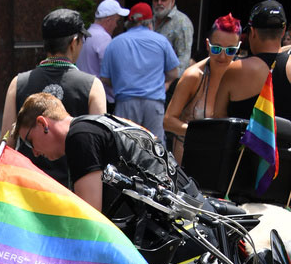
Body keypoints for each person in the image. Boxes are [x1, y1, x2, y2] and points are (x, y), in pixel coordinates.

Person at [14, 92, 200, 226]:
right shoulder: (97, 123)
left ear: (42, 124)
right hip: (190, 208)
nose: (35, 152)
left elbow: (89, 216)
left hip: (180, 223)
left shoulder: (79, 137)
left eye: (30, 142)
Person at [0, 8, 106, 184]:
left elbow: (5, 145)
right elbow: (99, 147)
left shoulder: (18, 83)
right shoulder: (92, 86)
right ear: (74, 42)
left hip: (28, 189)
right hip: (71, 192)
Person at [164, 13, 242, 163]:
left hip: (222, 161)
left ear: (238, 48)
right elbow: (168, 121)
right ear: (207, 45)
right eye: (217, 49)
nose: (223, 56)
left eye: (231, 50)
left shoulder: (240, 76)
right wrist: (203, 133)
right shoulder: (193, 76)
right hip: (189, 160)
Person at [100, 2, 180, 143]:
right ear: (150, 22)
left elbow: (105, 79)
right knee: (156, 150)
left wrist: (122, 83)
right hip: (154, 104)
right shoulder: (162, 41)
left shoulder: (114, 43)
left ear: (129, 22)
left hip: (125, 104)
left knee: (125, 148)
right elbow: (174, 73)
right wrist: (163, 84)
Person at [214, 0, 291, 122]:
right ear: (283, 31)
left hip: (245, 141)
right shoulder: (289, 65)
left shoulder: (237, 69)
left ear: (253, 32)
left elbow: (218, 118)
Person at [76, 0, 130, 106]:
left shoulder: (87, 35)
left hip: (84, 94)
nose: (116, 25)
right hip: (102, 99)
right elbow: (110, 73)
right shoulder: (103, 39)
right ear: (109, 20)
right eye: (117, 21)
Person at [152, 0, 194, 76]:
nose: (159, 3)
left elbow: (184, 59)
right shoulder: (149, 20)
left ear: (172, 1)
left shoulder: (182, 22)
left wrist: (169, 83)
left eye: (163, 0)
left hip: (168, 83)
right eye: (156, 0)